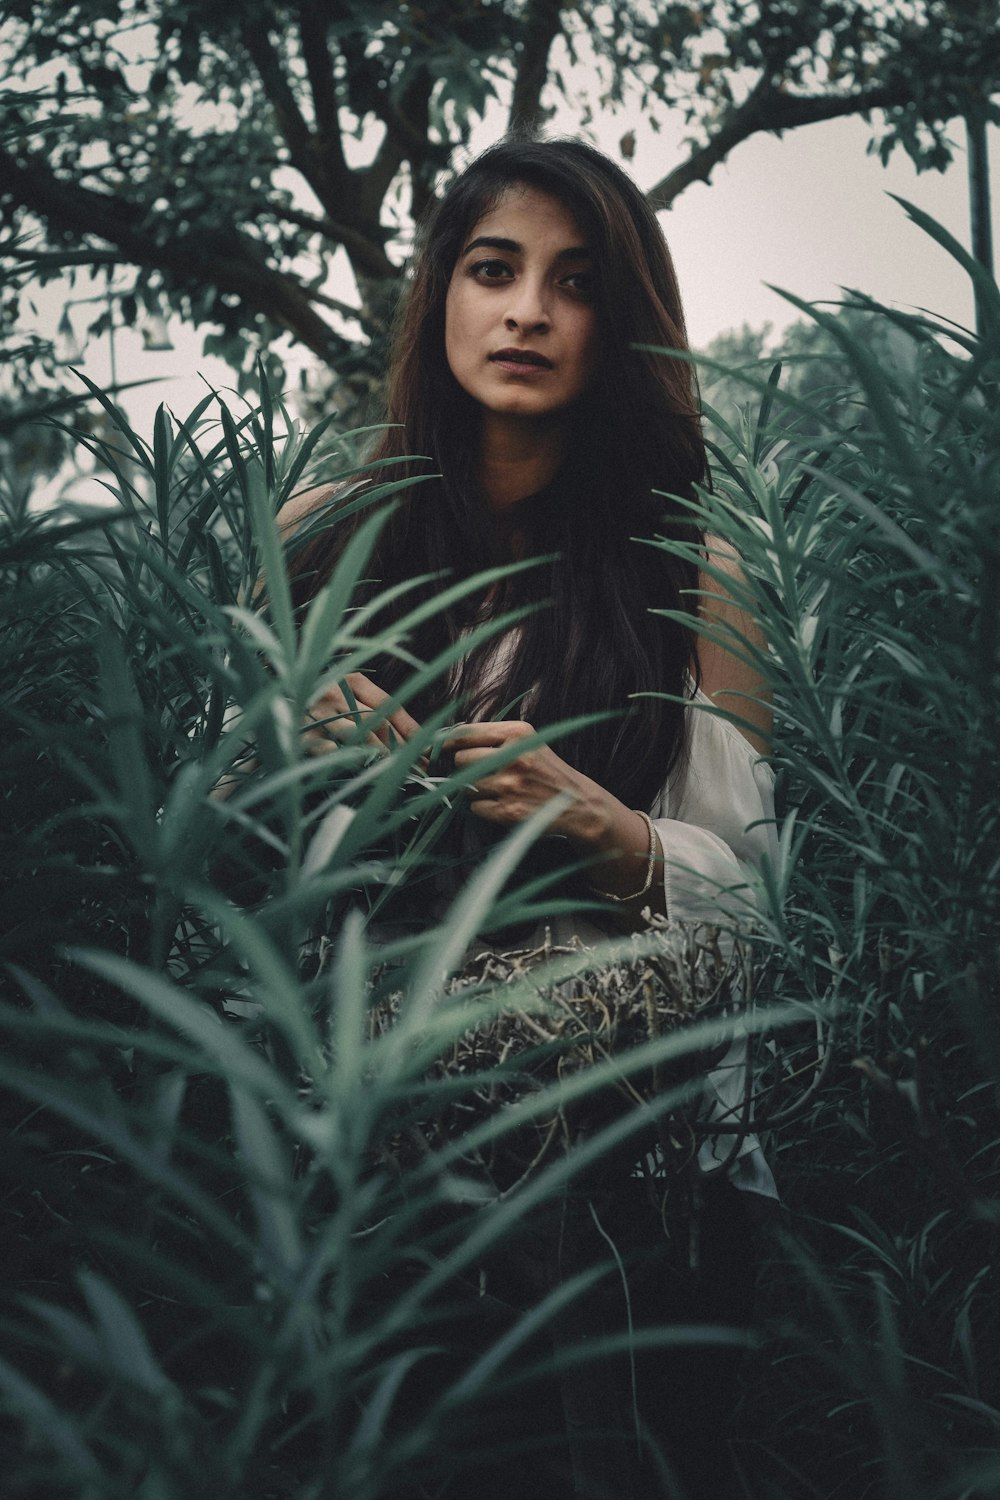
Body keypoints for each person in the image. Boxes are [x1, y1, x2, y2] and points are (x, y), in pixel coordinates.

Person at [281, 137, 779, 1499]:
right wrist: (289, 754)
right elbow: (200, 865)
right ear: (440, 292)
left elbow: (765, 917)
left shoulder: (696, 568)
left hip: (630, 1185)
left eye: (573, 284)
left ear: (617, 327)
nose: (527, 312)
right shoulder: (325, 538)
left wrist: (611, 832)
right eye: (493, 270)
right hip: (363, 1169)